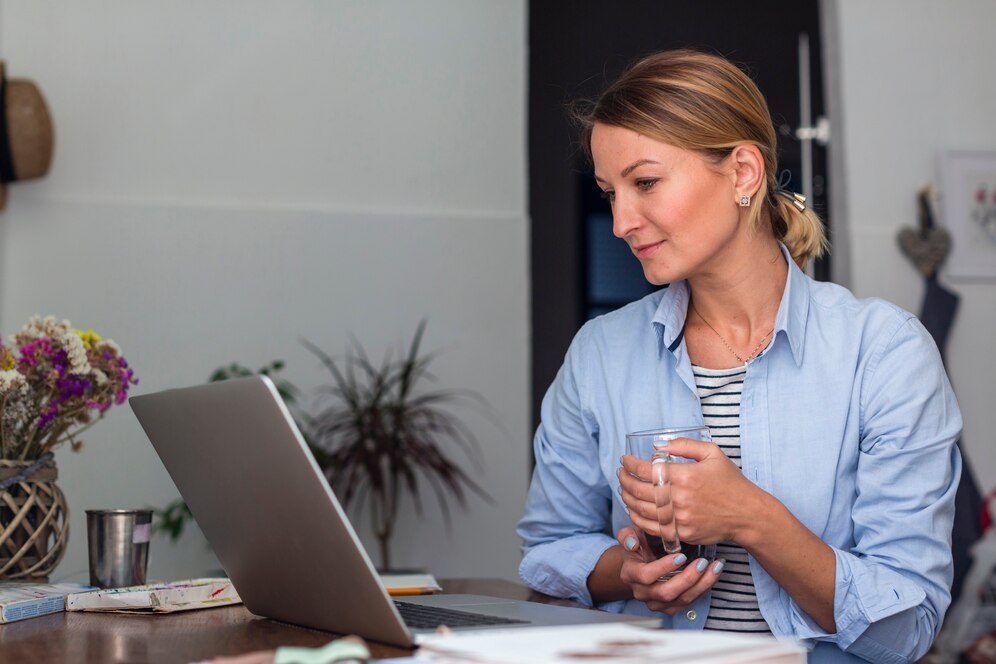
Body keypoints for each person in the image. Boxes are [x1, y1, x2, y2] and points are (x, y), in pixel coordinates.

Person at [516, 49, 962, 663]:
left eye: (644, 183)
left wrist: (749, 517)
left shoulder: (884, 353)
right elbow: (547, 550)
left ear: (744, 173)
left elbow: (907, 628)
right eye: (609, 192)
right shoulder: (599, 354)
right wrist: (627, 572)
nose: (620, 221)